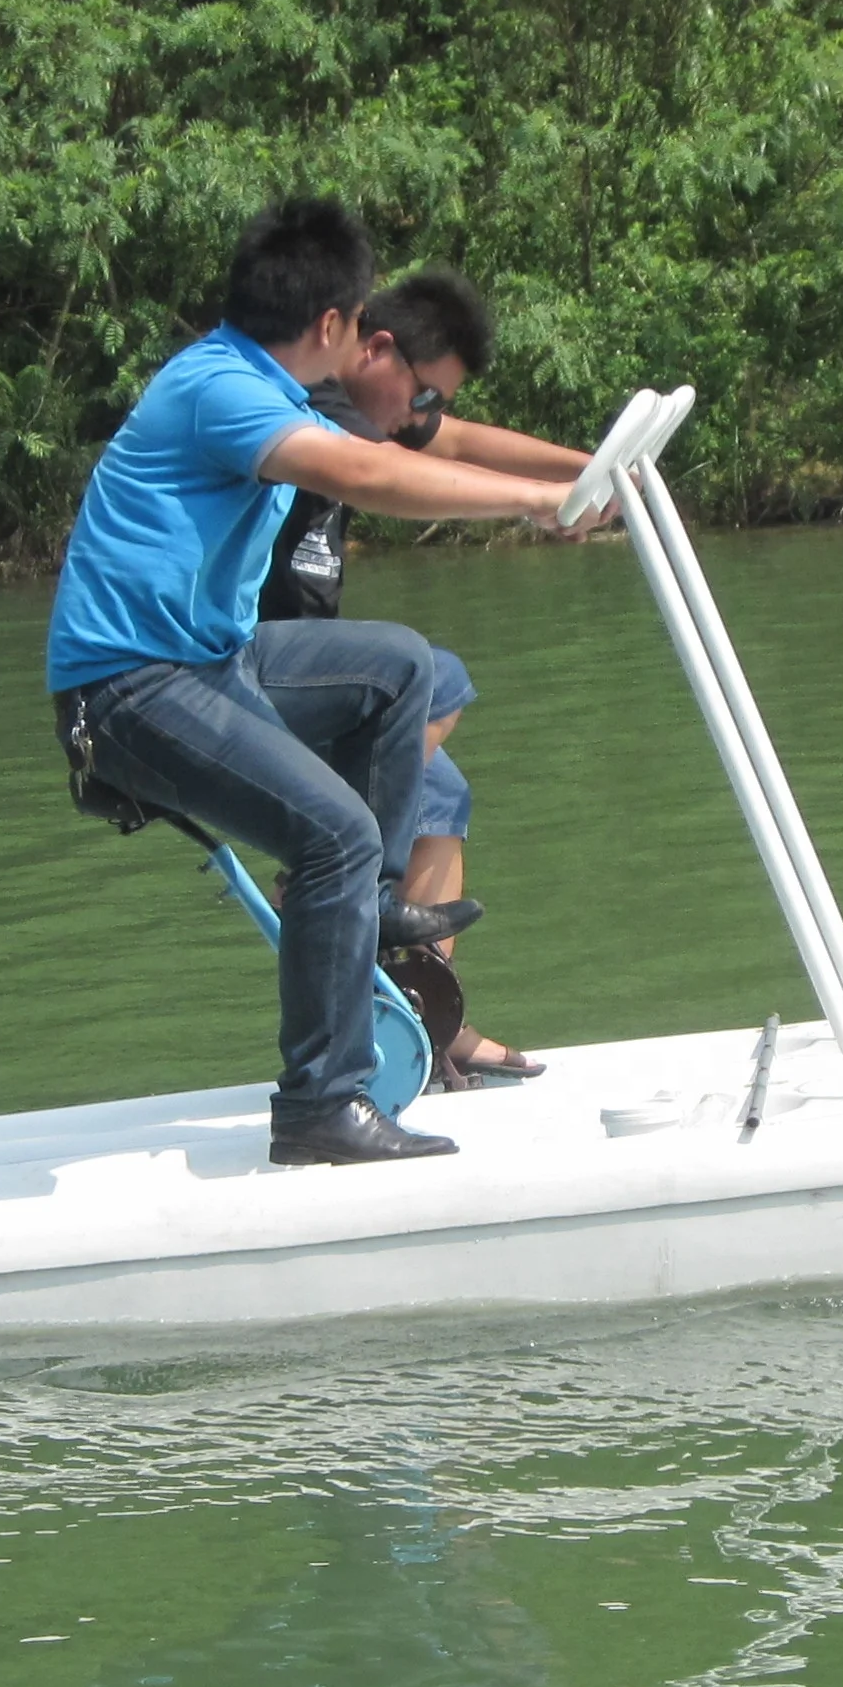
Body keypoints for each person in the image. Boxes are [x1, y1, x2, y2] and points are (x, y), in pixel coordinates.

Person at [48, 202, 597, 1168]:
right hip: (126, 691)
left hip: (211, 661)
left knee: (400, 667)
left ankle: (372, 904)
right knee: (334, 830)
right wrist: (539, 502)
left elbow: (430, 446)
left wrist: (579, 474)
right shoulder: (223, 392)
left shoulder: (265, 384)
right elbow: (368, 475)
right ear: (334, 326)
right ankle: (319, 1104)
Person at [258, 267, 578, 1083]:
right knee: (439, 677)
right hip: (254, 668)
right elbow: (396, 476)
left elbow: (461, 441)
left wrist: (592, 471)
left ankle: (428, 1015)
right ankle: (335, 870)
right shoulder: (320, 407)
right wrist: (529, 502)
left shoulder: (380, 404)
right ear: (377, 351)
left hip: (318, 671)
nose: (422, 420)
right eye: (423, 398)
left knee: (443, 796)